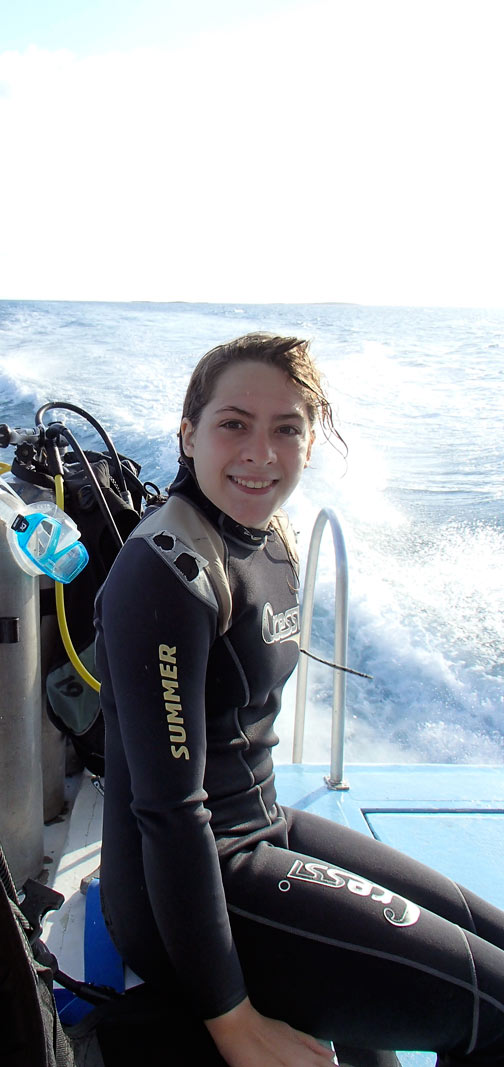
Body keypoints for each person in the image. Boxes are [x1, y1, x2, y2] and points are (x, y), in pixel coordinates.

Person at [94, 333, 504, 1067]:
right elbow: (169, 811)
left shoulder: (270, 535)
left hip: (264, 825)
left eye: (287, 428)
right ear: (188, 436)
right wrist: (234, 1021)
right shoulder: (162, 573)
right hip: (186, 884)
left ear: (311, 443)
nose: (261, 452)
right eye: (233, 424)